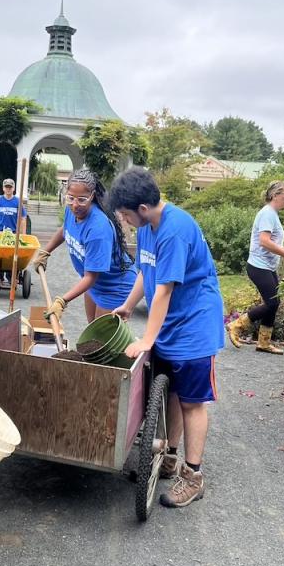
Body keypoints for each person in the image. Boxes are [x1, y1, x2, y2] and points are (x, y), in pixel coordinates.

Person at [110, 167, 224, 508]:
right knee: (172, 392)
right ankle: (171, 456)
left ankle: (194, 476)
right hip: (171, 319)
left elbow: (163, 289)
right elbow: (147, 270)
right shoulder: (148, 228)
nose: (126, 222)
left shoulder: (174, 231)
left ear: (142, 208)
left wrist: (147, 339)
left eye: (126, 215)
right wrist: (128, 306)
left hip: (194, 323)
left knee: (191, 401)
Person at [31, 169, 136, 323]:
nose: (75, 205)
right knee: (92, 331)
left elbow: (91, 277)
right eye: (71, 198)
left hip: (115, 286)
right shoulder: (71, 210)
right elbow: (65, 229)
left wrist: (62, 301)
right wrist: (45, 251)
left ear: (92, 196)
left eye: (82, 199)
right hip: (95, 283)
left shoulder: (98, 229)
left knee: (101, 339)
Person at [226, 180, 284, 354]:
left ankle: (264, 343)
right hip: (259, 266)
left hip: (267, 266)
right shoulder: (267, 213)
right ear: (275, 195)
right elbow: (264, 241)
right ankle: (236, 325)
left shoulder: (272, 214)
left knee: (274, 302)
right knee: (272, 302)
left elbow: (273, 242)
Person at [0, 178, 28, 288]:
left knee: (12, 257)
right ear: (3, 188)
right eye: (6, 187)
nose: (8, 189)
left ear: (13, 188)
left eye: (10, 187)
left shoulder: (17, 202)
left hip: (13, 234)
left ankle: (11, 276)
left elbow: (23, 218)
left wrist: (23, 235)